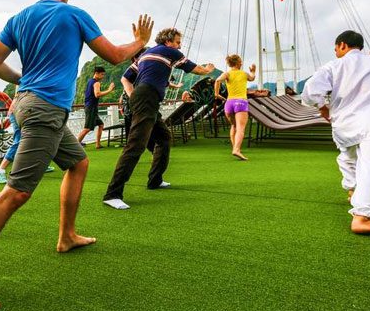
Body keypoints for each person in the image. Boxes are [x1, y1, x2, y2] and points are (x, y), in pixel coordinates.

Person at [0, 0, 153, 311]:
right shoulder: (74, 15)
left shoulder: (19, 19)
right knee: (16, 193)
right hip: (45, 110)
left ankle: (67, 236)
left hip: (29, 104)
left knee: (79, 163)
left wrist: (23, 81)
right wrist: (141, 41)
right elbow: (115, 55)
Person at [302, 30, 370, 240]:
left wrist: (322, 106)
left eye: (336, 48)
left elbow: (310, 90)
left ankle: (353, 189)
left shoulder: (333, 66)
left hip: (345, 123)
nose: (336, 51)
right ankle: (362, 215)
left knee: (348, 156)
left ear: (343, 45)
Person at [103, 28, 214, 210]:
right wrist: (208, 69)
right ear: (168, 41)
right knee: (135, 145)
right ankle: (112, 193)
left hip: (146, 98)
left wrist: (132, 96)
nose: (179, 45)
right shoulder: (171, 52)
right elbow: (197, 69)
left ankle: (155, 180)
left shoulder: (146, 54)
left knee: (163, 138)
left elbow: (126, 78)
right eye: (178, 42)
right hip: (146, 97)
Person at [0, 94, 55, 184]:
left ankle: (39, 165)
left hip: (29, 112)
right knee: (19, 140)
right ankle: (0, 170)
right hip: (18, 111)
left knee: (37, 138)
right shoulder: (29, 84)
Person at [214, 54, 256, 161]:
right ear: (238, 63)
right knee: (241, 128)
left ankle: (235, 147)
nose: (242, 62)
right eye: (241, 61)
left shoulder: (227, 74)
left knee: (234, 125)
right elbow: (252, 78)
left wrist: (217, 94)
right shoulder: (244, 73)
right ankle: (236, 150)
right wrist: (253, 70)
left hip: (229, 103)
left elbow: (217, 80)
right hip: (241, 102)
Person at [77, 66, 115, 148]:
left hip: (90, 106)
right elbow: (97, 94)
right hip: (91, 108)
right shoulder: (96, 83)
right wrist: (109, 90)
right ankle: (76, 145)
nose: (103, 76)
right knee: (87, 128)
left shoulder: (90, 81)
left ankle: (98, 144)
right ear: (96, 73)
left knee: (101, 124)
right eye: (102, 74)